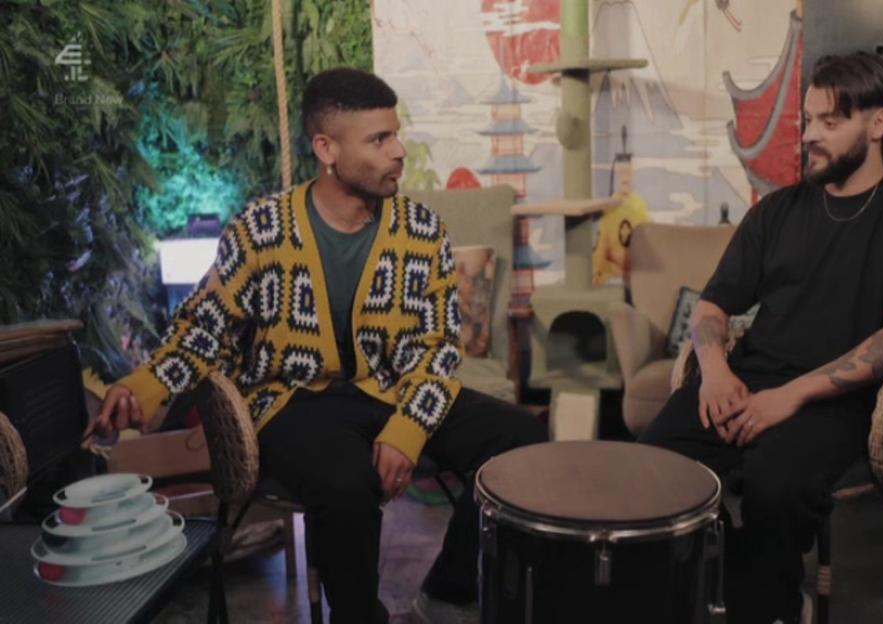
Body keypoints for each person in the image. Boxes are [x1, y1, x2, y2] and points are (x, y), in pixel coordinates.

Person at [87, 67, 547, 624]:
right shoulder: (262, 229)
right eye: (379, 139)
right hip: (292, 401)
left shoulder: (422, 231)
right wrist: (141, 387)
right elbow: (204, 328)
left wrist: (407, 429)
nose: (398, 151)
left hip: (391, 390)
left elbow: (439, 348)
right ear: (327, 149)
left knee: (522, 439)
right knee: (346, 482)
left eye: (395, 134)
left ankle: (450, 589)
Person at [640, 52, 883, 624]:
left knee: (774, 488)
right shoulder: (777, 211)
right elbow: (713, 304)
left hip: (832, 404)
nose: (809, 136)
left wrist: (791, 396)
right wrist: (715, 372)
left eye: (830, 122)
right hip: (744, 381)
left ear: (877, 124)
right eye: (808, 121)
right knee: (653, 465)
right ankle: (715, 582)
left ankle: (767, 606)